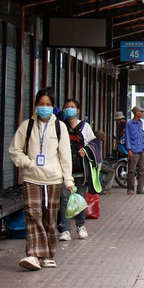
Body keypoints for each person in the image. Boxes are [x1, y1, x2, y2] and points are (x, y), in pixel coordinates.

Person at [8, 89, 74, 271]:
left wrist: (68, 180)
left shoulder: (60, 127)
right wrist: (28, 163)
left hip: (53, 180)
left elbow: (65, 156)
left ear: (53, 106)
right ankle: (33, 255)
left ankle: (47, 255)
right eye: (41, 104)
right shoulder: (27, 126)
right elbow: (15, 150)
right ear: (36, 105)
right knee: (33, 214)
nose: (44, 108)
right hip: (32, 179)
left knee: (50, 218)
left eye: (48, 104)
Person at [56, 98, 96, 241]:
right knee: (65, 199)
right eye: (67, 107)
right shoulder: (60, 126)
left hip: (81, 170)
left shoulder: (85, 127)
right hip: (65, 171)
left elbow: (94, 145)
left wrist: (86, 151)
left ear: (78, 110)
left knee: (80, 199)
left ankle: (80, 226)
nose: (69, 109)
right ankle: (65, 230)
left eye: (72, 107)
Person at [125, 105, 144, 194]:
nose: (142, 113)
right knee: (132, 170)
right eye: (140, 112)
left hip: (142, 148)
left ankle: (140, 189)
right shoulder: (129, 123)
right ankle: (130, 189)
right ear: (136, 113)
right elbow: (127, 136)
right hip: (133, 149)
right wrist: (129, 149)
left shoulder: (141, 123)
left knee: (143, 169)